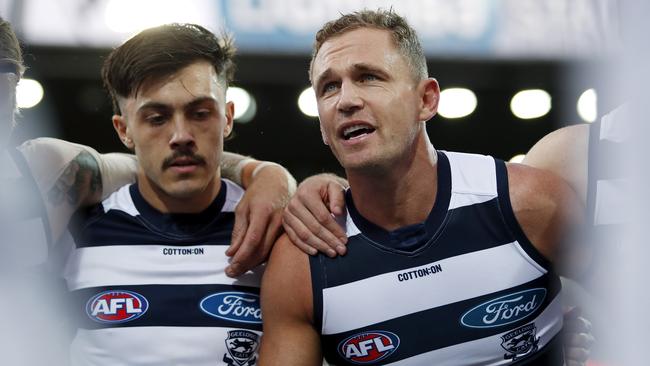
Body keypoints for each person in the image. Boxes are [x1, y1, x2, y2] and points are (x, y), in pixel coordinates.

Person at [260, 9, 583, 365]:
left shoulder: (528, 202)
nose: (345, 100)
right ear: (322, 126)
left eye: (368, 77)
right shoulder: (300, 266)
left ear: (426, 100)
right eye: (329, 87)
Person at [1, 17, 294, 365]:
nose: (181, 136)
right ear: (124, 130)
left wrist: (268, 175)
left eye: (201, 113)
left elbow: (145, 165)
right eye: (156, 118)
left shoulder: (51, 177)